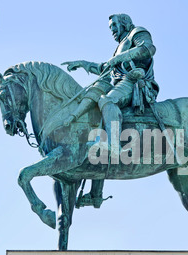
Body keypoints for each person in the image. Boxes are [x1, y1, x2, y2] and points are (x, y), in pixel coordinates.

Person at [61, 13, 159, 208]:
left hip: (133, 81)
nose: (112, 29)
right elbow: (106, 68)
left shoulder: (136, 33)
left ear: (124, 23)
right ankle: (95, 194)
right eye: (110, 27)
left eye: (114, 25)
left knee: (107, 102)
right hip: (121, 81)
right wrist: (82, 63)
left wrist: (120, 57)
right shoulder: (121, 43)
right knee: (97, 122)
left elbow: (149, 49)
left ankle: (114, 147)